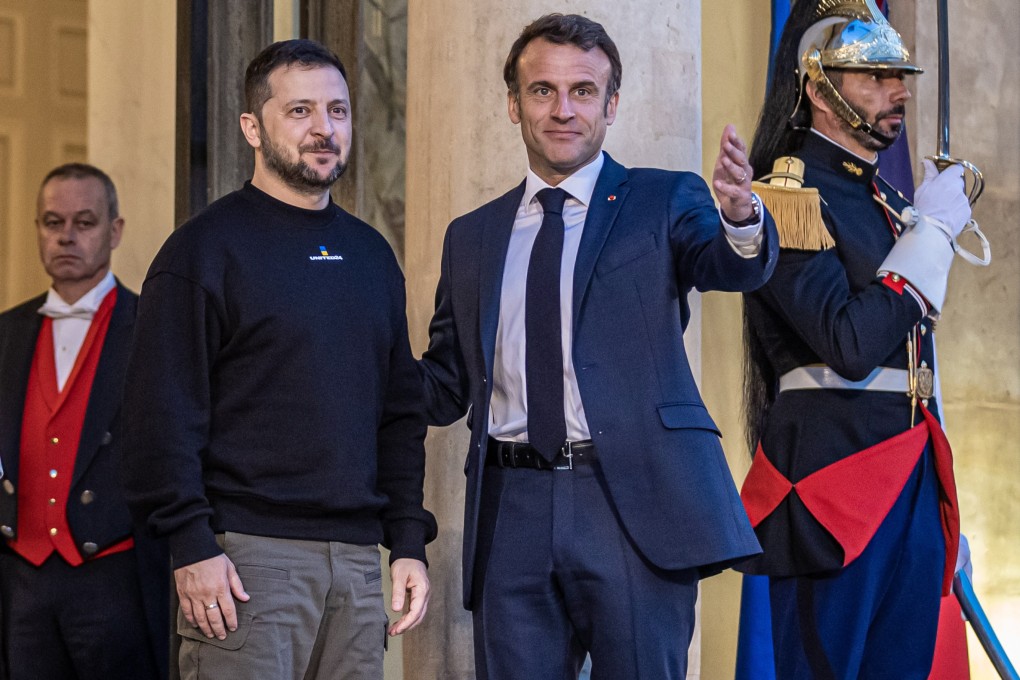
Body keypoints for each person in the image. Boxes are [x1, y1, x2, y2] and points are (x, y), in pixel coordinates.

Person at [418, 13, 779, 679]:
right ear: (512, 104)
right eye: (542, 91)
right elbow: (447, 379)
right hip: (510, 510)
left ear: (612, 105)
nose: (563, 110)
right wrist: (351, 364)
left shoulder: (661, 199)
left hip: (632, 502)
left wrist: (740, 218)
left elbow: (729, 266)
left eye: (583, 91)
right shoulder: (471, 236)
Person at [120, 39, 437, 679]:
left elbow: (399, 413)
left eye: (338, 111)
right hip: (243, 564)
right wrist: (191, 545)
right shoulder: (202, 251)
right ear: (252, 128)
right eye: (300, 111)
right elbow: (160, 413)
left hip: (354, 564)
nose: (324, 129)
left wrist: (407, 543)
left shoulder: (372, 256)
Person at [738, 1, 975, 677]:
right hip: (833, 489)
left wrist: (943, 504)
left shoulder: (889, 205)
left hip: (909, 482)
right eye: (873, 76)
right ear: (817, 86)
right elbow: (847, 342)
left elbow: (919, 368)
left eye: (898, 74)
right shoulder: (786, 195)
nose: (897, 91)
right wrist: (929, 238)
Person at [0, 163, 169, 680]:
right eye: (53, 222)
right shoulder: (6, 332)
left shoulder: (152, 328)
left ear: (115, 231)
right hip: (20, 579)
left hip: (114, 577)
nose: (66, 236)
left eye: (85, 222)